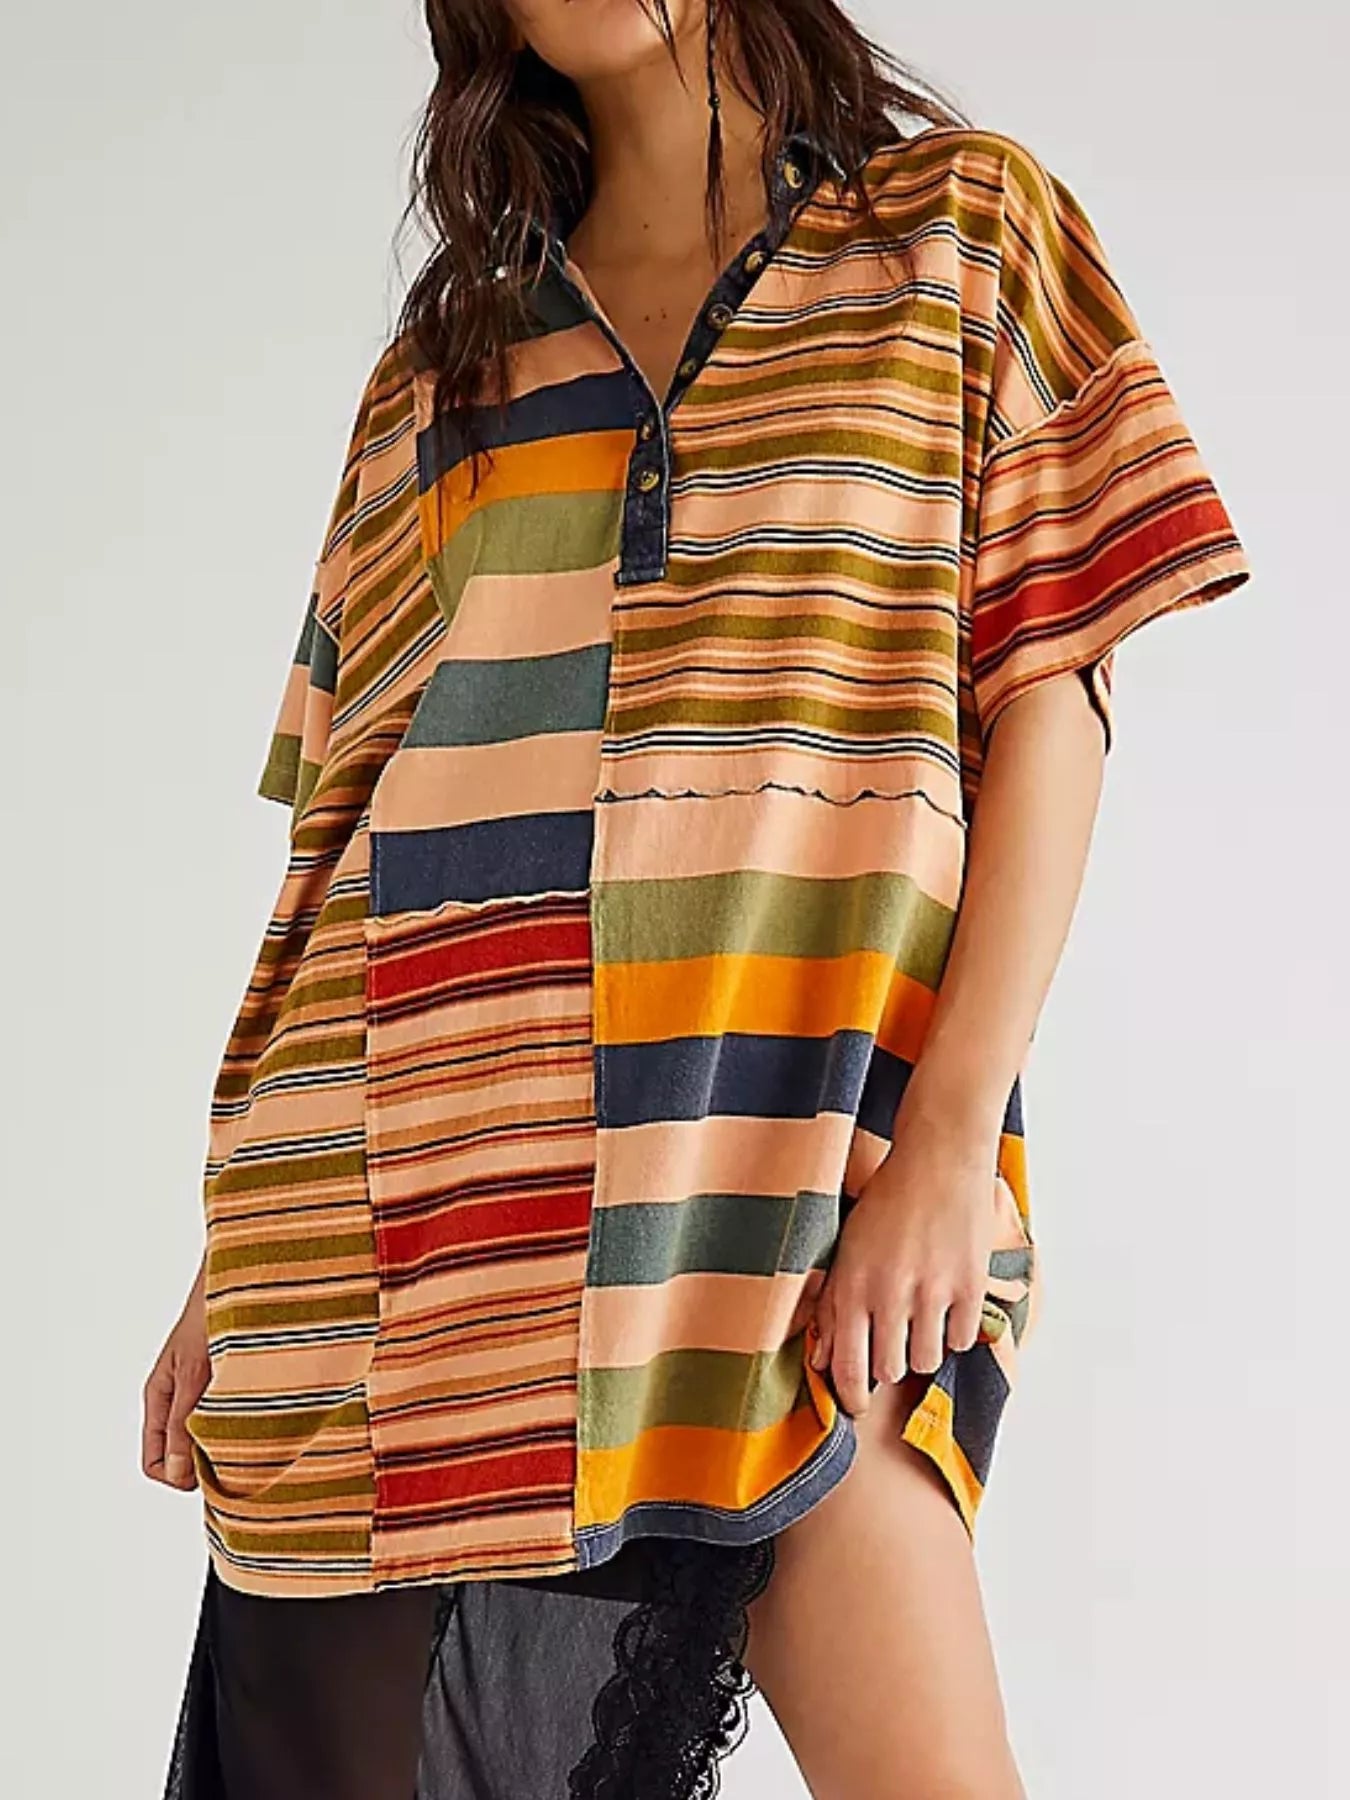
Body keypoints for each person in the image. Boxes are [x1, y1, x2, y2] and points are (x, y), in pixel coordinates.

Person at [143, 2, 1251, 1796]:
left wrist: (949, 1144)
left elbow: (1051, 692)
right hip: (399, 1235)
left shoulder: (959, 232)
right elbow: (346, 830)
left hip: (793, 1185)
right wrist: (228, 1264)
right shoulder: (449, 360)